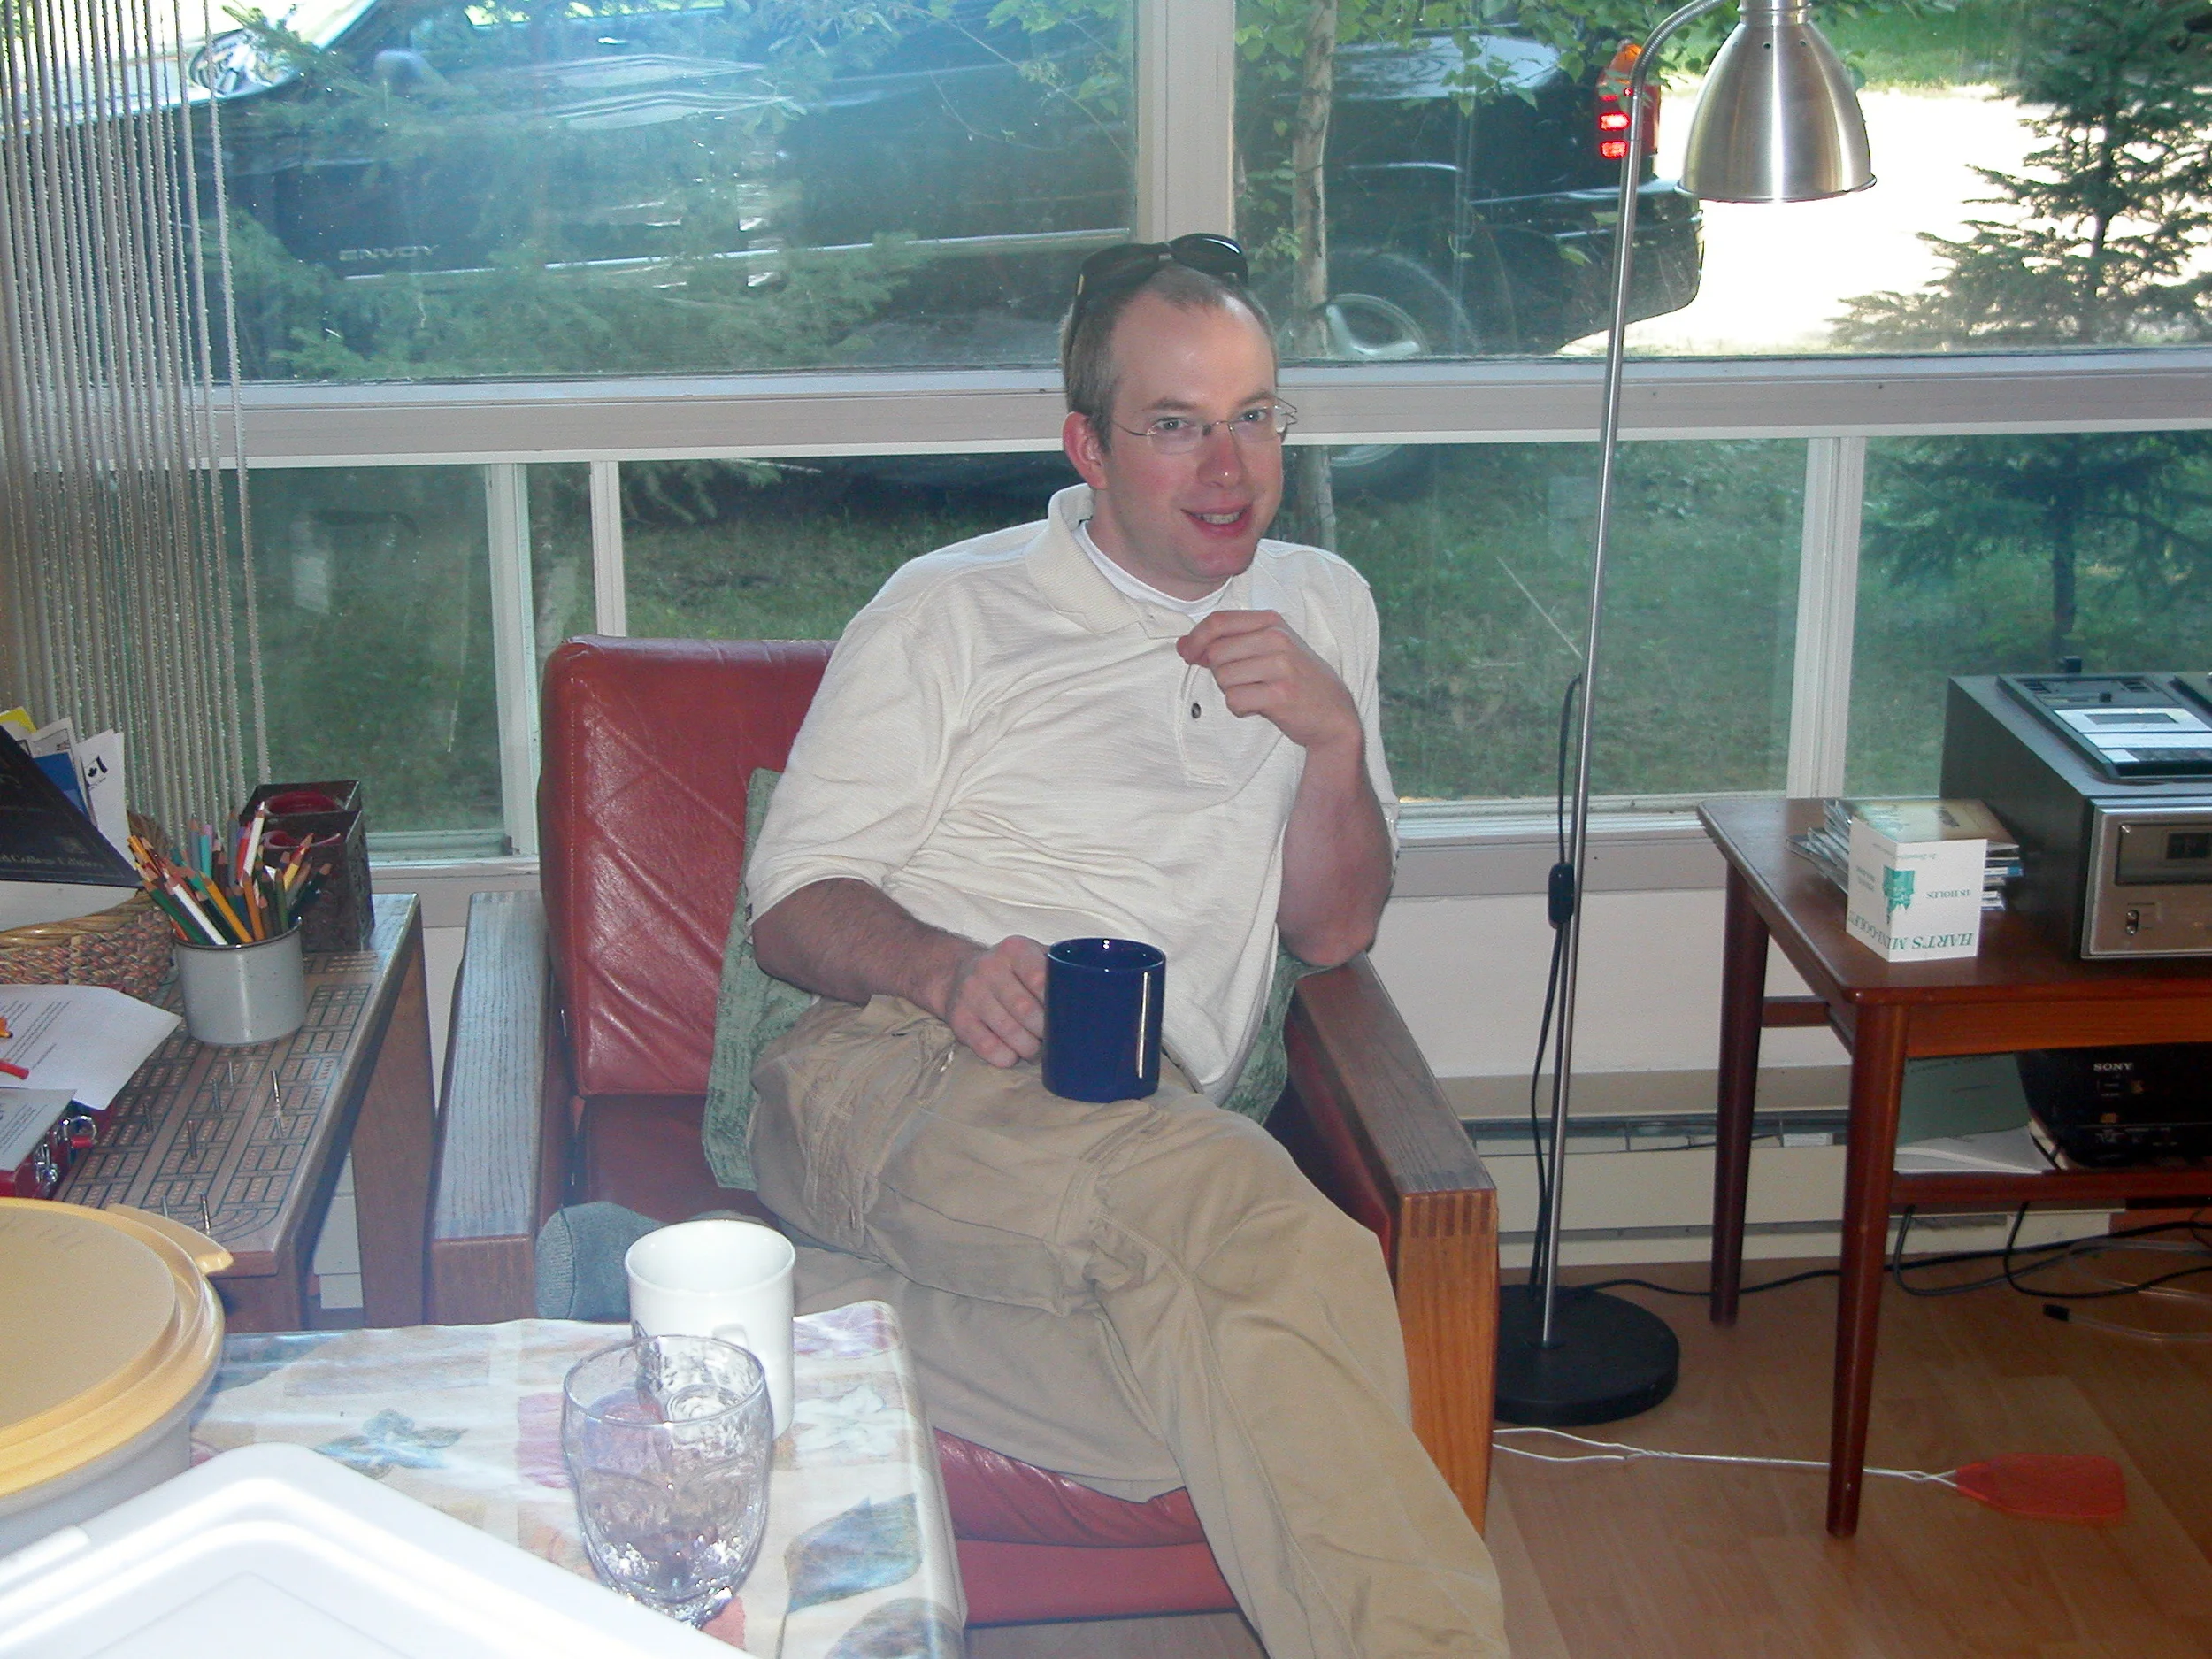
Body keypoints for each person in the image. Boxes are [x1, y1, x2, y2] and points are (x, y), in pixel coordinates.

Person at [741, 234, 1507, 1658]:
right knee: (1290, 1260)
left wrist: (1331, 742)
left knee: (1220, 1379)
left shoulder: (1327, 604)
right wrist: (941, 969)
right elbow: (791, 901)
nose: (1230, 469)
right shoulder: (950, 610)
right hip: (904, 1065)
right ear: (1087, 445)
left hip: (1138, 1126)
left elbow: (1334, 928)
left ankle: (756, 1310)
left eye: (1255, 416)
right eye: (1175, 425)